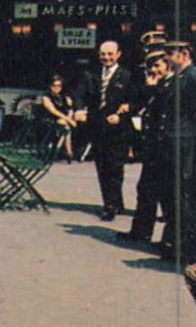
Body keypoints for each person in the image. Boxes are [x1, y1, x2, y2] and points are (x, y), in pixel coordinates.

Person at [163, 39, 196, 264]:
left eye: (170, 53)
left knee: (189, 201)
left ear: (183, 54)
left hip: (191, 150)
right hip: (178, 147)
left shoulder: (195, 77)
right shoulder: (179, 77)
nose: (166, 58)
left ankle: (189, 251)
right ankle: (177, 246)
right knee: (178, 199)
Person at [123, 50, 173, 247]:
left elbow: (164, 108)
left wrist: (151, 89)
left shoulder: (169, 85)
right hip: (152, 146)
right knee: (145, 190)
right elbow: (141, 105)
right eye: (151, 66)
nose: (154, 70)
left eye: (158, 66)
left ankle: (169, 239)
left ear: (168, 65)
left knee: (166, 195)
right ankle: (141, 231)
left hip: (164, 148)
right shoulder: (154, 85)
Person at [81, 40, 134, 222]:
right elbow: (80, 94)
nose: (107, 58)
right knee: (102, 166)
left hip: (118, 130)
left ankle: (111, 206)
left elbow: (135, 101)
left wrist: (122, 116)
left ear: (118, 54)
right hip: (97, 127)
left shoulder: (127, 76)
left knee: (115, 167)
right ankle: (112, 203)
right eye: (103, 54)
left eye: (110, 54)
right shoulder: (91, 74)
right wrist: (80, 108)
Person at [40, 74, 79, 162]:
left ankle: (72, 149)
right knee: (66, 125)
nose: (57, 88)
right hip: (50, 119)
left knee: (74, 122)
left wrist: (69, 117)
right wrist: (69, 120)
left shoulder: (64, 97)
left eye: (59, 86)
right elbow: (53, 111)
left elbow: (70, 109)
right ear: (50, 86)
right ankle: (69, 151)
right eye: (54, 85)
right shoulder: (46, 97)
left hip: (64, 119)